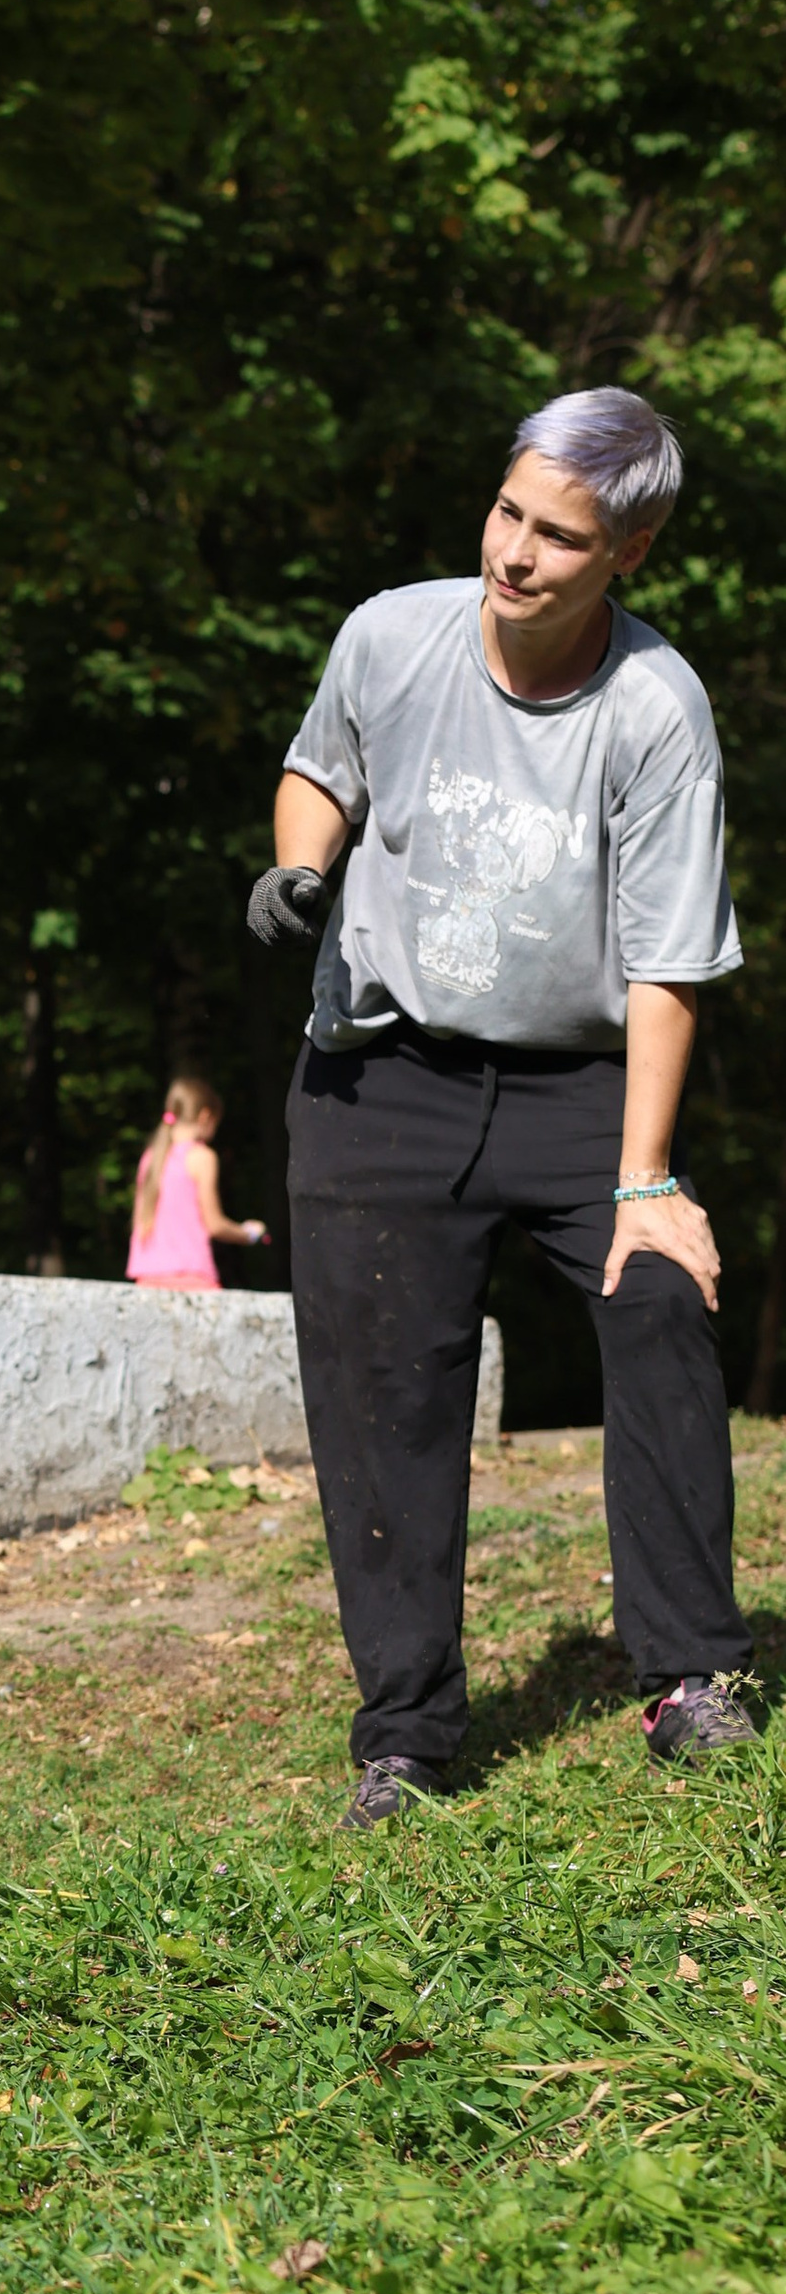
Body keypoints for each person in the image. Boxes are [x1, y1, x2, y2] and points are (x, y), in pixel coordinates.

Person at [248, 385, 757, 1827]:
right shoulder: (391, 635)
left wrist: (649, 1182)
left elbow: (668, 964)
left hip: (577, 1086)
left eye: (561, 537)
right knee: (383, 1395)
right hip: (378, 1078)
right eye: (509, 512)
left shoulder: (655, 709)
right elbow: (317, 771)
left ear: (628, 557)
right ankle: (405, 1741)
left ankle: (693, 1677)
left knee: (658, 1304)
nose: (517, 554)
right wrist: (300, 867)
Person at [127, 1074, 268, 1291]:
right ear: (205, 1117)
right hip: (192, 1279)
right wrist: (247, 1234)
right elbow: (214, 1224)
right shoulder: (202, 1157)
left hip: (147, 1282)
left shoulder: (150, 1158)